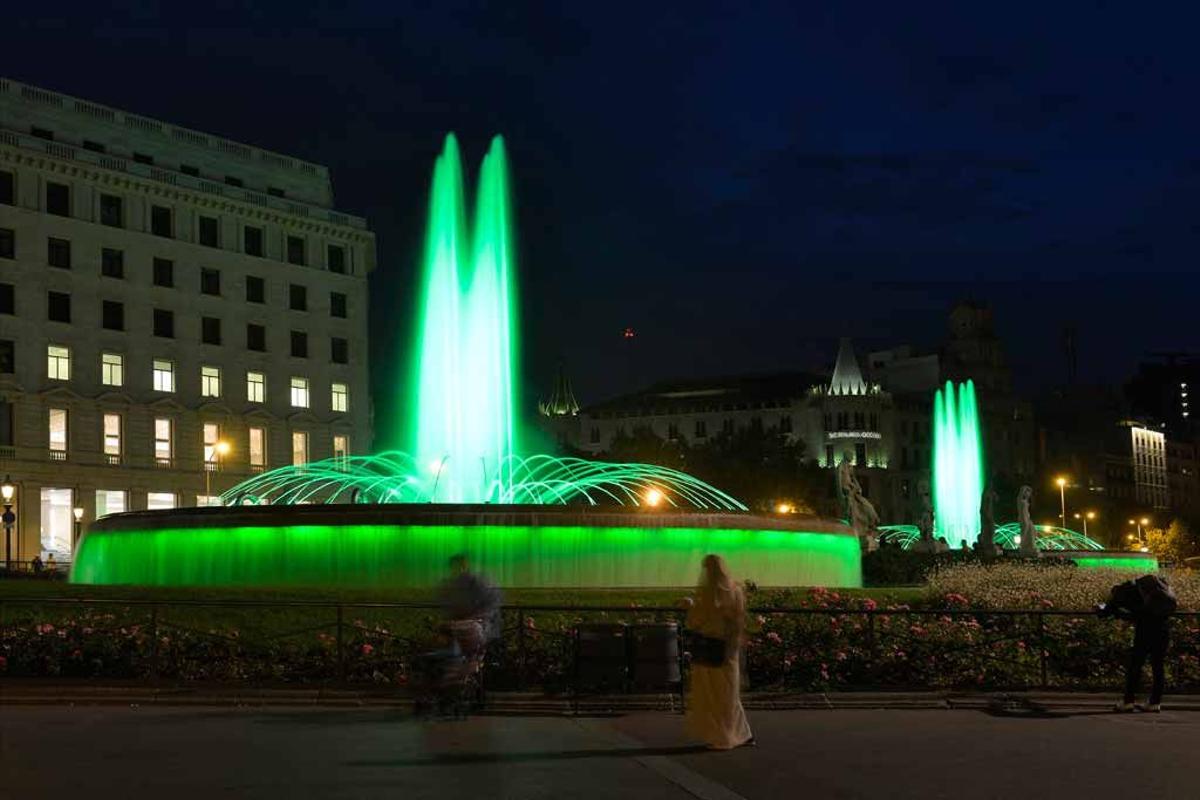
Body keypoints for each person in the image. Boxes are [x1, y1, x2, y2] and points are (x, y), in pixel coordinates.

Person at [683, 554, 754, 750]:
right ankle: (743, 733)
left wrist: (690, 606)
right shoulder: (736, 590)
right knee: (729, 694)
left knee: (711, 694)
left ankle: (721, 736)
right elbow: (739, 620)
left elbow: (694, 622)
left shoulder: (706, 594)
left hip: (708, 648)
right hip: (728, 648)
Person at [1098, 575, 1176, 712]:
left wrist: (1111, 611)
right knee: (1158, 667)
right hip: (1163, 631)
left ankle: (1128, 701)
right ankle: (1154, 703)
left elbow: (1117, 613)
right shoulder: (1159, 588)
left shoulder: (1123, 594)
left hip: (1145, 633)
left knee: (1135, 665)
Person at [437, 554, 501, 659]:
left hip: (474, 628)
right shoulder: (474, 582)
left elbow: (488, 605)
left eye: (455, 567)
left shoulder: (472, 583)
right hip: (472, 627)